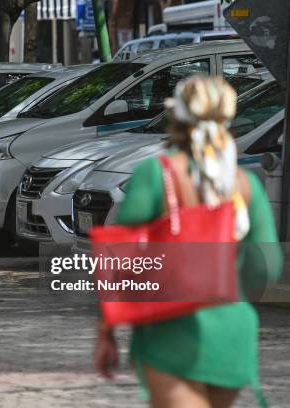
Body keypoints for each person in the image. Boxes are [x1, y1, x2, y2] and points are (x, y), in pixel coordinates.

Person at [94, 76, 283, 408]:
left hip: (172, 332)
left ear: (176, 117)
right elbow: (266, 267)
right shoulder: (245, 184)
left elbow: (118, 256)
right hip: (232, 332)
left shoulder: (157, 173)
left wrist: (107, 329)